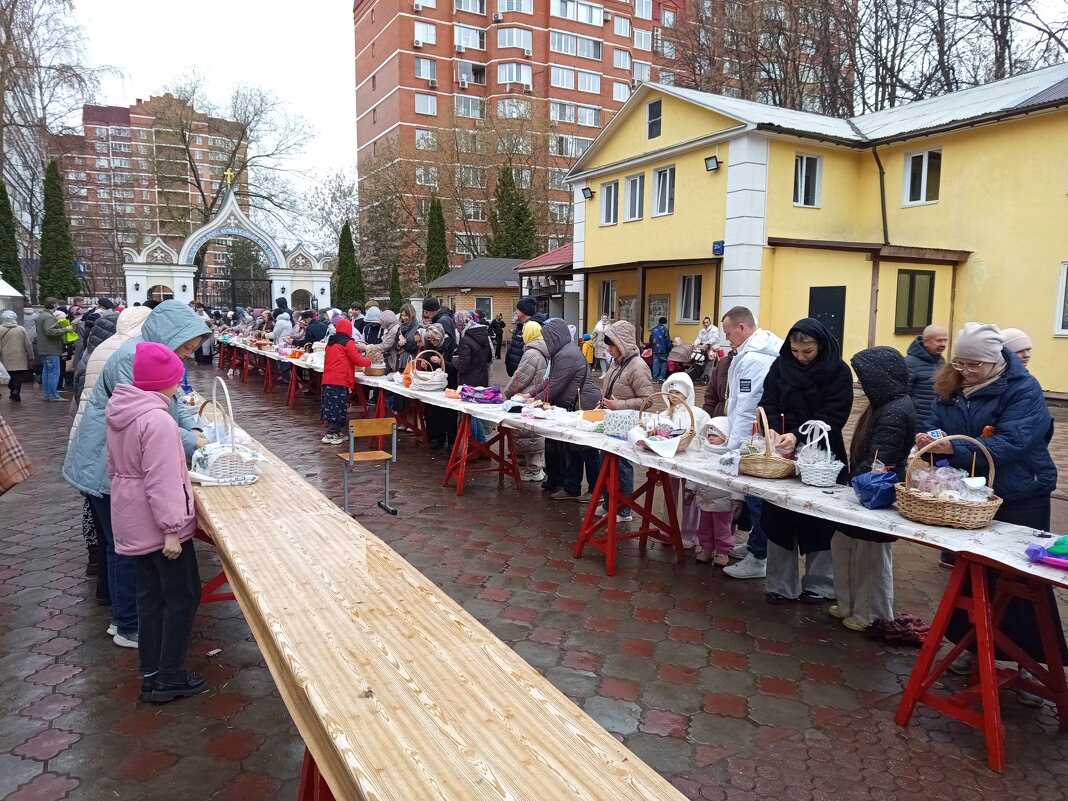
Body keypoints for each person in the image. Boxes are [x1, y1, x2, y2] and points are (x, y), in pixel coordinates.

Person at [921, 323, 1061, 706]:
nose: (966, 371)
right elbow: (936, 423)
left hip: (1021, 492)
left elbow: (1014, 441)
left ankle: (1031, 665)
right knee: (974, 573)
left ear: (994, 361)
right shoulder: (951, 383)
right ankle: (972, 649)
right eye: (960, 363)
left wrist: (954, 449)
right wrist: (931, 439)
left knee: (1021, 580)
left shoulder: (1023, 388)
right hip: (972, 492)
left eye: (974, 365)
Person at [63, 300, 211, 649]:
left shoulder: (150, 355)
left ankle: (122, 614)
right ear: (172, 335)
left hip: (114, 464)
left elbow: (174, 401)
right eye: (187, 347)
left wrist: (193, 429)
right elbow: (154, 421)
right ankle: (128, 623)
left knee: (120, 546)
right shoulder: (134, 359)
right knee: (126, 550)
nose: (188, 355)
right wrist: (194, 443)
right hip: (107, 466)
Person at [105, 342, 205, 703]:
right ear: (166, 381)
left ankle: (151, 673)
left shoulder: (123, 411)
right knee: (182, 596)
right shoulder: (157, 420)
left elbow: (118, 467)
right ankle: (169, 677)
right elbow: (161, 480)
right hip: (159, 527)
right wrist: (172, 530)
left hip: (132, 517)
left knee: (150, 596)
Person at [757, 319, 852, 605]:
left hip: (823, 453)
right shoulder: (780, 366)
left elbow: (835, 414)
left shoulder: (838, 371)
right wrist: (773, 430)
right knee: (779, 517)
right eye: (796, 351)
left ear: (820, 346)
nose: (801, 357)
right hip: (782, 454)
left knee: (820, 520)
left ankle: (820, 585)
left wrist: (798, 435)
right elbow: (768, 403)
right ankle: (780, 585)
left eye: (807, 351)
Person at [831, 346, 916, 632]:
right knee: (845, 545)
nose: (862, 383)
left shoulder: (895, 411)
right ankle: (847, 602)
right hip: (864, 489)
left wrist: (853, 482)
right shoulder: (885, 404)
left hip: (876, 492)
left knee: (869, 555)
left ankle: (870, 614)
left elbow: (880, 459)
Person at [720, 307, 783, 580]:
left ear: (742, 327)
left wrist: (735, 446)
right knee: (753, 497)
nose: (726, 338)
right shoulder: (751, 353)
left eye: (728, 333)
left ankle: (759, 557)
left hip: (754, 438)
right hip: (753, 434)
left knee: (756, 498)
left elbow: (747, 407)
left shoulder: (755, 359)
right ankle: (757, 544)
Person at [594, 320, 653, 524]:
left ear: (622, 343)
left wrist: (618, 404)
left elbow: (647, 400)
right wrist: (603, 402)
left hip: (627, 426)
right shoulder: (617, 362)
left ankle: (624, 510)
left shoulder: (638, 366)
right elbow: (611, 387)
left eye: (612, 345)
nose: (609, 350)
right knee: (606, 463)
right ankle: (608, 503)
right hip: (611, 422)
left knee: (622, 466)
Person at [541, 319, 602, 501]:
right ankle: (571, 487)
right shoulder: (562, 352)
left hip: (583, 405)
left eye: (547, 339)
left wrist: (534, 399)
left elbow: (555, 385)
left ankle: (595, 491)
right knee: (571, 447)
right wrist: (531, 395)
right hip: (574, 405)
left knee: (587, 450)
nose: (545, 343)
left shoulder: (566, 354)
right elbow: (550, 382)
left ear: (554, 337)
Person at [662, 372, 714, 552]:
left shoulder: (699, 415)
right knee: (669, 496)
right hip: (670, 460)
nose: (673, 396)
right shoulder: (665, 415)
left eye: (677, 393)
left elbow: (705, 438)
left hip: (691, 462)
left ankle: (689, 533)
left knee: (689, 497)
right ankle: (668, 528)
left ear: (687, 394)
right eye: (671, 393)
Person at [504, 321, 549, 482]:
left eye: (524, 331)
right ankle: (538, 467)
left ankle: (534, 470)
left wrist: (508, 392)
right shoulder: (542, 350)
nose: (522, 335)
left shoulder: (531, 353)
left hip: (526, 397)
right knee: (536, 434)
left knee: (530, 435)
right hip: (536, 395)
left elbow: (520, 377)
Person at [690, 417, 737, 565]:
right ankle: (707, 548)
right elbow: (695, 472)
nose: (711, 438)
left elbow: (736, 479)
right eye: (709, 435)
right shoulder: (703, 452)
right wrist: (690, 488)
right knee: (704, 527)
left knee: (722, 528)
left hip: (723, 501)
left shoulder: (731, 456)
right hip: (704, 498)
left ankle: (723, 552)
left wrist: (738, 498)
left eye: (715, 435)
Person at [320, 318, 371, 445]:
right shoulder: (348, 342)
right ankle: (331, 433)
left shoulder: (331, 342)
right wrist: (369, 362)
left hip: (328, 378)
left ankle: (335, 432)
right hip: (340, 379)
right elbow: (357, 359)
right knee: (338, 406)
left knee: (330, 406)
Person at [453, 310, 492, 443]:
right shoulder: (483, 335)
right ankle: (481, 443)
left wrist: (454, 359)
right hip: (482, 378)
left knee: (470, 415)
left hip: (468, 381)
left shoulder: (465, 340)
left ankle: (476, 443)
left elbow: (463, 366)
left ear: (460, 324)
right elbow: (489, 358)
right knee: (476, 413)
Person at [422, 324, 459, 450]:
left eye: (435, 340)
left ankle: (452, 441)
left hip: (450, 384)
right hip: (435, 384)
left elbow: (455, 367)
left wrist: (441, 361)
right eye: (430, 340)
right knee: (435, 412)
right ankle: (439, 439)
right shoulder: (430, 346)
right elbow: (427, 358)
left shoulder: (452, 346)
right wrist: (425, 363)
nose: (432, 342)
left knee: (449, 413)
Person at [905, 324, 948, 428]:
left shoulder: (941, 361)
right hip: (917, 423)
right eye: (939, 340)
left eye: (945, 340)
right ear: (926, 341)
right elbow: (903, 396)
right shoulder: (910, 363)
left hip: (935, 423)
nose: (943, 344)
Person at [505, 298, 547, 377]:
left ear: (524, 311)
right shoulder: (522, 325)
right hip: (519, 371)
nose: (515, 312)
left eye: (517, 309)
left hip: (526, 373)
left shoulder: (532, 326)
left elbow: (531, 351)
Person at [36, 297, 66, 401]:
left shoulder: (42, 315)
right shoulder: (49, 317)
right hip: (51, 348)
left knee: (46, 372)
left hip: (44, 348)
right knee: (53, 372)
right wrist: (66, 329)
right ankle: (53, 395)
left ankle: (47, 394)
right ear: (54, 305)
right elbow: (50, 331)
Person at [0, 310, 34, 402]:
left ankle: (13, 390)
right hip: (19, 357)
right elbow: (28, 344)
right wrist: (31, 357)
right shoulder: (21, 329)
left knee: (8, 375)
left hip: (4, 357)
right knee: (18, 375)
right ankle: (16, 391)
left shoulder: (0, 329)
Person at [649, 316, 671, 382]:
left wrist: (652, 347)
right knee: (664, 363)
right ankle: (661, 377)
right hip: (663, 350)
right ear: (665, 323)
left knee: (655, 364)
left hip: (655, 350)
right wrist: (669, 349)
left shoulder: (653, 329)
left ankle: (655, 378)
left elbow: (650, 340)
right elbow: (667, 341)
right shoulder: (665, 330)